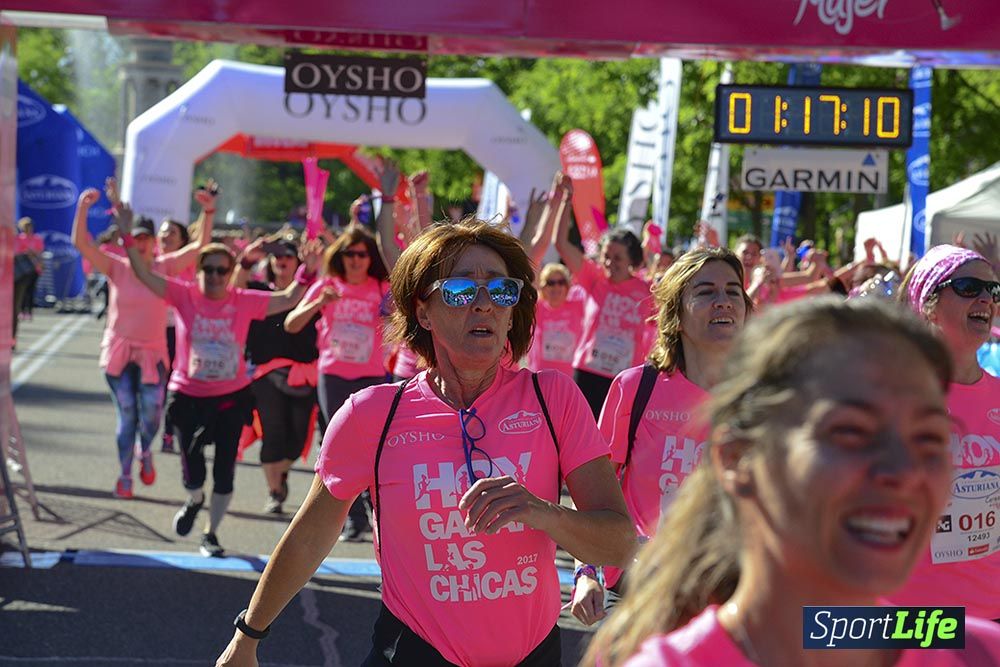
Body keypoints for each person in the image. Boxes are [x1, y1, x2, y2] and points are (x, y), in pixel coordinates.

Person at [216, 218, 634, 667]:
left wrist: (541, 511)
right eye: (459, 291)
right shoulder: (372, 414)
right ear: (423, 312)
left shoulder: (553, 397)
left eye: (501, 290)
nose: (484, 305)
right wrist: (247, 637)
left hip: (533, 655)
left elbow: (617, 543)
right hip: (414, 653)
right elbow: (309, 537)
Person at [583, 297, 1000, 666]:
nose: (903, 472)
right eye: (851, 433)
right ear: (738, 458)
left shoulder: (978, 648)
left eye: (929, 438)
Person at [116, 203, 321, 557]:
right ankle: (194, 498)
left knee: (225, 469)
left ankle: (210, 534)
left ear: (229, 273)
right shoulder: (183, 295)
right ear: (198, 272)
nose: (214, 277)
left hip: (230, 396)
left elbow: (288, 298)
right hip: (188, 395)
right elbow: (142, 274)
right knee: (192, 470)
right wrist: (126, 235)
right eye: (208, 270)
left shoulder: (243, 300)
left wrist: (306, 271)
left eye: (221, 271)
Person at [571, 248, 752, 626]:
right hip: (642, 589)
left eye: (733, 291)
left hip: (727, 596)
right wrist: (587, 574)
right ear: (677, 315)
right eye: (706, 292)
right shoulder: (637, 388)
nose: (723, 301)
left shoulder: (763, 398)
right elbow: (594, 495)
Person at [71, 186, 215, 498]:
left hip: (153, 354)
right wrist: (82, 207)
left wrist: (207, 212)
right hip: (119, 352)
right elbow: (81, 243)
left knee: (150, 417)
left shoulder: (165, 267)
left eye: (145, 238)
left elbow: (201, 246)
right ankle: (124, 475)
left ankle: (145, 449)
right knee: (127, 415)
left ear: (153, 242)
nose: (140, 242)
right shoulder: (116, 266)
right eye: (135, 237)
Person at [889, 244, 1000, 620]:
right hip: (910, 618)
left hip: (990, 615)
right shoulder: (887, 397)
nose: (986, 297)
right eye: (970, 287)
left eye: (994, 290)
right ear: (928, 304)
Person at [284, 224, 391, 540]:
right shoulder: (327, 285)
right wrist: (317, 303)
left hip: (370, 376)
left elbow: (400, 322)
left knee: (373, 446)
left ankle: (376, 511)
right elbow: (291, 324)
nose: (356, 260)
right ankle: (352, 518)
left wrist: (391, 315)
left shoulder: (381, 289)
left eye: (361, 254)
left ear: (370, 258)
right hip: (332, 376)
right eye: (349, 254)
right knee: (340, 443)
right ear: (340, 257)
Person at [552, 174, 656, 418]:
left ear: (632, 260)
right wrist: (565, 201)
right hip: (588, 373)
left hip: (624, 377)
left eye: (617, 258)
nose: (610, 263)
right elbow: (561, 244)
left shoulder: (645, 290)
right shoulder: (594, 278)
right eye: (606, 256)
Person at [234, 238, 322, 515]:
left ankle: (279, 472)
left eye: (288, 256)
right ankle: (274, 492)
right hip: (265, 375)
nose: (281, 260)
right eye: (277, 257)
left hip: (304, 374)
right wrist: (247, 259)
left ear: (298, 263)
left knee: (296, 439)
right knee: (272, 433)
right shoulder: (258, 292)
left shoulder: (312, 294)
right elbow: (234, 289)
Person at [158, 217, 194, 453]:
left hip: (177, 332)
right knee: (152, 385)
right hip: (151, 330)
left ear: (182, 240)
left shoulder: (189, 265)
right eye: (163, 232)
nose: (166, 236)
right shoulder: (149, 262)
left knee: (172, 383)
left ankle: (169, 431)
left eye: (172, 232)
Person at [525, 262, 584, 377]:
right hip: (540, 375)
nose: (556, 287)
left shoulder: (578, 306)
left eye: (561, 282)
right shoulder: (535, 307)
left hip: (568, 377)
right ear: (543, 287)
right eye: (551, 283)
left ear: (567, 286)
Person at [13, 217, 44, 325]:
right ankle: (21, 310)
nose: (28, 228)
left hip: (34, 268)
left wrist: (32, 253)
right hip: (21, 270)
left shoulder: (37, 238)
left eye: (29, 226)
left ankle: (29, 311)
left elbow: (40, 252)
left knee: (30, 290)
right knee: (22, 291)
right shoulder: (19, 238)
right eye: (26, 226)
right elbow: (16, 252)